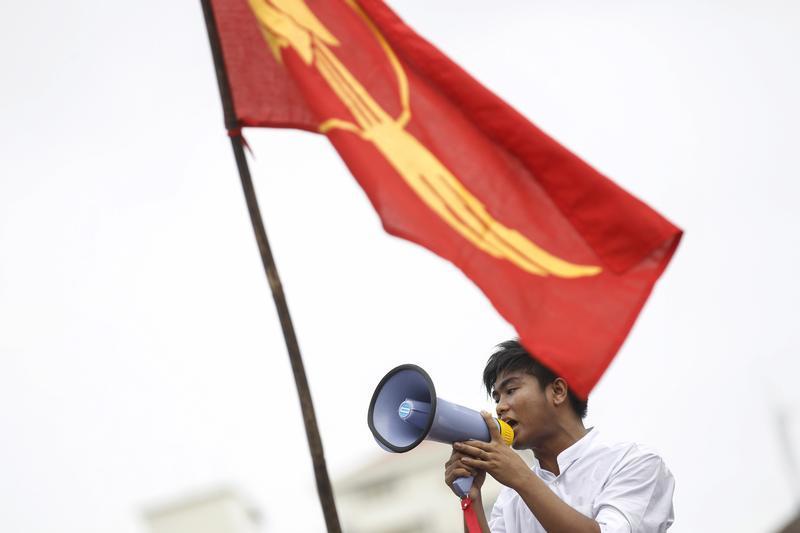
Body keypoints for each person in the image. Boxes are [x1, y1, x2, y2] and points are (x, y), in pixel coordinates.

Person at [445, 340, 675, 532]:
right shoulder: (510, 499)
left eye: (511, 390)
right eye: (497, 398)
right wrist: (472, 497)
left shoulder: (634, 462)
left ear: (557, 391)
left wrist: (522, 478)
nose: (500, 408)